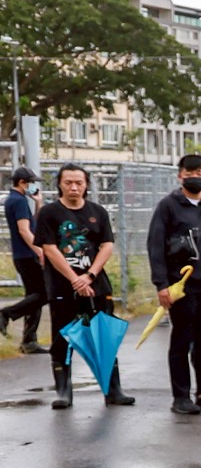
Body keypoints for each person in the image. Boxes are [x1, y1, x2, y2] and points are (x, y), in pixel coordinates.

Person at [34, 164, 132, 408]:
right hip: (62, 288)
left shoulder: (97, 212)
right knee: (62, 338)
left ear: (87, 184)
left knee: (103, 336)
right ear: (59, 184)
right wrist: (73, 279)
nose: (74, 187)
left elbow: (106, 245)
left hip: (95, 286)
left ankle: (113, 390)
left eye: (79, 182)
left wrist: (89, 275)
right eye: (68, 182)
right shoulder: (49, 213)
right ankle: (64, 391)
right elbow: (49, 248)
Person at [146, 153, 201, 415]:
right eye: (189, 172)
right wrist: (162, 284)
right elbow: (155, 246)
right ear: (180, 176)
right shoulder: (168, 207)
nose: (195, 177)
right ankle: (181, 396)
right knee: (182, 340)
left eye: (200, 173)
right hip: (182, 286)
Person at [5, 166, 45, 352]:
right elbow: (24, 230)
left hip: (22, 255)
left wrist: (37, 203)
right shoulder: (19, 201)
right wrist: (39, 251)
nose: (32, 186)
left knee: (33, 297)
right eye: (30, 182)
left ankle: (29, 341)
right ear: (22, 183)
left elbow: (32, 225)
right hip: (28, 256)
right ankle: (6, 315)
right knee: (44, 294)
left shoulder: (15, 200)